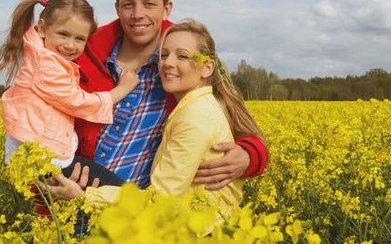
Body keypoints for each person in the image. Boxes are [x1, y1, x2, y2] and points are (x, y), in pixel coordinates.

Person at [43, 20, 264, 229]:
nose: (168, 62)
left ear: (207, 68)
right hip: (191, 219)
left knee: (67, 168)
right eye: (164, 55)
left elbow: (160, 200)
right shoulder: (199, 104)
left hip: (187, 229)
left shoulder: (195, 117)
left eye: (183, 56)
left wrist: (84, 197)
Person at [73, 0, 269, 192]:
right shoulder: (83, 55)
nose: (138, 14)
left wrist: (249, 155)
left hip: (144, 213)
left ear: (167, 9)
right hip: (76, 201)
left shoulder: (185, 63)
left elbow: (243, 127)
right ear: (117, 8)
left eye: (149, 4)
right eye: (128, 5)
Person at [0, 0, 139, 186]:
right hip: (45, 162)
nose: (70, 45)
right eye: (63, 34)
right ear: (42, 28)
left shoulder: (41, 55)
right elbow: (79, 102)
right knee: (124, 192)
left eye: (79, 39)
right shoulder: (46, 66)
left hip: (38, 158)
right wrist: (122, 89)